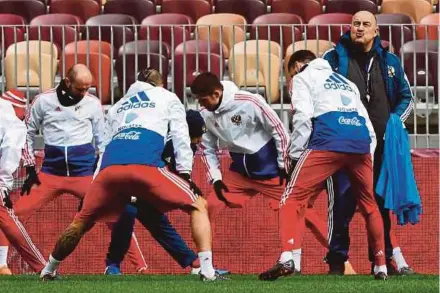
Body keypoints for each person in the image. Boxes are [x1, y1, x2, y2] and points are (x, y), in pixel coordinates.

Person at [39, 67, 224, 282]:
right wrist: (185, 173)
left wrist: (95, 185)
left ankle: (49, 269)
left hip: (109, 168)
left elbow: (104, 146)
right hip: (144, 165)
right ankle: (208, 271)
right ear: (160, 84)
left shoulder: (118, 106)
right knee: (198, 205)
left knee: (80, 223)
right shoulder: (166, 97)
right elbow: (180, 135)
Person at [1, 64, 148, 273]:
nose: (84, 93)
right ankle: (2, 264)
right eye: (80, 88)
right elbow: (27, 132)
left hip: (84, 174)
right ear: (67, 82)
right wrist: (31, 168)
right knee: (12, 215)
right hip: (50, 174)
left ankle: (140, 267)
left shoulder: (92, 103)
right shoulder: (43, 101)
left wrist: (101, 168)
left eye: (88, 88)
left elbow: (103, 139)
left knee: (115, 214)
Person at [258, 50, 389, 281]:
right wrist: (365, 155)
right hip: (360, 143)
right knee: (369, 206)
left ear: (297, 65)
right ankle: (381, 265)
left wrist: (296, 155)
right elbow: (368, 124)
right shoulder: (346, 82)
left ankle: (287, 256)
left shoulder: (302, 78)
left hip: (328, 139)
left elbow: (303, 117)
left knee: (291, 198)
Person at [190, 72, 328, 274]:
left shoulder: (250, 101)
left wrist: (284, 165)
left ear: (216, 93)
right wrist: (216, 179)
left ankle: (335, 257)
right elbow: (207, 148)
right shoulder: (205, 113)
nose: (201, 105)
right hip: (239, 175)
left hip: (271, 171)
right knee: (207, 207)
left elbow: (279, 130)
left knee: (302, 211)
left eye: (203, 100)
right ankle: (205, 266)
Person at [103, 69, 227, 276]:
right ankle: (112, 264)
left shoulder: (180, 138)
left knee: (159, 224)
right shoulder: (166, 139)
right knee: (128, 214)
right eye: (196, 137)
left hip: (147, 187)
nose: (197, 142)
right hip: (132, 180)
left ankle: (195, 264)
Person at [322, 10, 415, 275]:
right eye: (356, 24)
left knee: (380, 203)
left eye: (366, 24)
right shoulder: (331, 59)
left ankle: (382, 260)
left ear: (376, 31)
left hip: (381, 147)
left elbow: (407, 98)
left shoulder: (391, 60)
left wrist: (393, 125)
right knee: (340, 204)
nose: (359, 28)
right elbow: (317, 94)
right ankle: (337, 262)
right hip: (343, 146)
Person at [0, 90, 48, 275]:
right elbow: (11, 151)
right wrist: (4, 183)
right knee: (8, 219)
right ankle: (41, 267)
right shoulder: (13, 123)